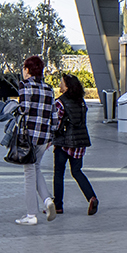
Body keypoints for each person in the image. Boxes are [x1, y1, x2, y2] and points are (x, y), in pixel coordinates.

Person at [0, 56, 57, 225]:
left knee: (29, 174)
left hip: (28, 136)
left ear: (27, 70)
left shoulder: (24, 86)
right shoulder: (48, 88)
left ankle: (31, 214)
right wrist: (51, 135)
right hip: (44, 137)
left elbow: (23, 109)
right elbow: (54, 114)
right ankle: (47, 200)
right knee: (36, 167)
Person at [52, 73, 98, 216]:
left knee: (59, 173)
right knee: (77, 171)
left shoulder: (60, 102)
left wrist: (51, 138)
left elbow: (56, 123)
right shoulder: (81, 101)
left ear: (67, 86)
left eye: (61, 83)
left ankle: (58, 205)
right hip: (80, 142)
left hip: (64, 142)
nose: (59, 85)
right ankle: (91, 197)